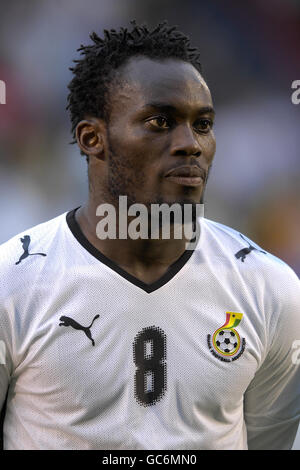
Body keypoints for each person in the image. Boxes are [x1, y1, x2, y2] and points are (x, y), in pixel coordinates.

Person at [0, 21, 299, 450]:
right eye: (161, 121)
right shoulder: (13, 283)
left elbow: (272, 442)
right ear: (92, 138)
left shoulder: (270, 289)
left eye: (203, 124)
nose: (190, 144)